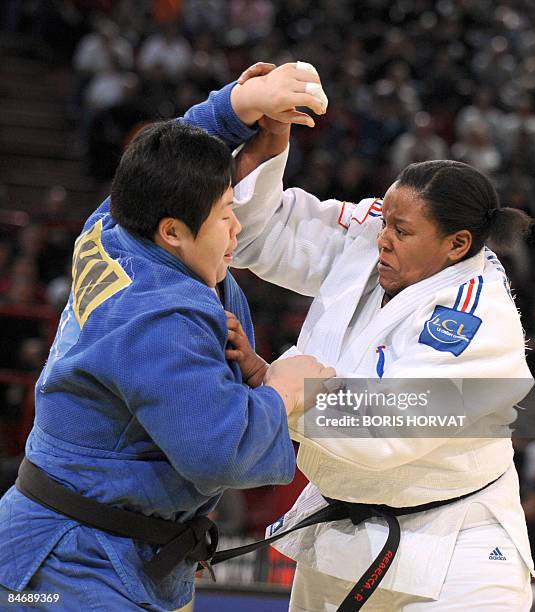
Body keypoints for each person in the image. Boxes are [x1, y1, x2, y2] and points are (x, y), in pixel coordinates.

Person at [183, 66, 535, 610]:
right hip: (343, 528)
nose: (382, 239)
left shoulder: (476, 319)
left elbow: (389, 428)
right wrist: (270, 145)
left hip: (452, 552)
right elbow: (257, 235)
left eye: (401, 231)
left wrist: (280, 385)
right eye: (385, 221)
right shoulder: (381, 232)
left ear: (456, 244)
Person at [0, 63, 333, 611]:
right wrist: (284, 390)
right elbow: (220, 450)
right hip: (74, 563)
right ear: (174, 231)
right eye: (226, 216)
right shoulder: (159, 317)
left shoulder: (115, 224)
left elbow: (164, 155)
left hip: (114, 547)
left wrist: (240, 104)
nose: (237, 229)